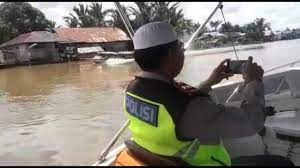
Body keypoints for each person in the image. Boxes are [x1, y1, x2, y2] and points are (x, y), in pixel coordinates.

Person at [123, 22, 294, 166]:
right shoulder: (189, 108)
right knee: (281, 163)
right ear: (170, 55)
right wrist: (253, 81)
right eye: (180, 47)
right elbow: (252, 123)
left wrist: (211, 81)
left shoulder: (133, 90)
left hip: (168, 159)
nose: (183, 52)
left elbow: (178, 103)